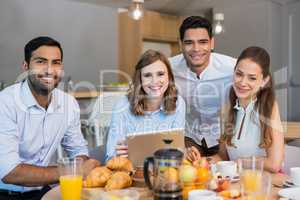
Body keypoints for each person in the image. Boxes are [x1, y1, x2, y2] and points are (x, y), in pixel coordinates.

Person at [0, 36, 100, 200]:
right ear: (25, 66)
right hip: (6, 194)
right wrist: (74, 171)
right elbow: (9, 172)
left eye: (56, 62)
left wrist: (80, 164)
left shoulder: (68, 103)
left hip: (44, 191)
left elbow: (79, 151)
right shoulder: (5, 102)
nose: (49, 69)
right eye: (40, 61)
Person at [188, 46, 284, 173]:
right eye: (239, 74)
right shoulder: (226, 110)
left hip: (266, 184)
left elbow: (274, 164)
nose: (243, 82)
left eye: (252, 78)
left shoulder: (269, 108)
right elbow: (223, 157)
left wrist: (239, 162)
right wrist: (201, 160)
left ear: (264, 81)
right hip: (235, 184)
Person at [169, 16, 237, 157]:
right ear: (180, 44)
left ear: (212, 43)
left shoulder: (232, 68)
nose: (196, 49)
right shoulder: (168, 68)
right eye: (189, 43)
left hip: (223, 138)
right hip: (189, 138)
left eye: (203, 42)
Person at [105, 50, 186, 161]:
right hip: (132, 172)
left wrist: (186, 152)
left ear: (169, 77)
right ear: (140, 79)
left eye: (160, 74)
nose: (155, 81)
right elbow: (110, 158)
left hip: (165, 171)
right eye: (147, 75)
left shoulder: (178, 103)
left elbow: (178, 151)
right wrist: (118, 156)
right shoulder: (122, 106)